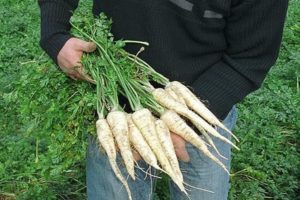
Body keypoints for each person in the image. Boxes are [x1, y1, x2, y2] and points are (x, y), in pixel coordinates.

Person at [38, 0, 288, 199]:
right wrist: (55, 36)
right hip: (115, 109)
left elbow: (250, 58)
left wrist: (186, 120)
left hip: (202, 111)